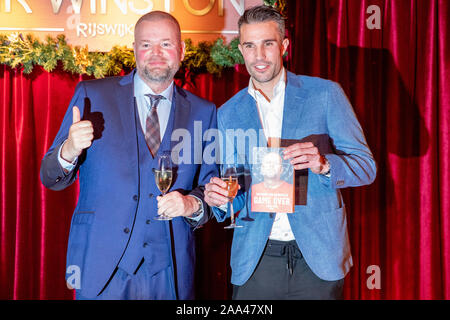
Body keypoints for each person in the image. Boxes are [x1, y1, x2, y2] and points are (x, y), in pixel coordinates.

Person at [40, 11, 218, 300]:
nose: (156, 54)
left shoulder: (204, 111)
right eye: (146, 44)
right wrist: (69, 150)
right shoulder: (92, 95)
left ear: (182, 51)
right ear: (134, 50)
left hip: (169, 272)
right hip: (100, 268)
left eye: (166, 44)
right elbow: (50, 177)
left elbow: (212, 187)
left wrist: (191, 203)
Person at [204, 5, 376, 300]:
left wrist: (323, 164)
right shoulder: (227, 113)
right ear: (241, 50)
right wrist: (220, 199)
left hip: (318, 257)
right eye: (249, 45)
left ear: (284, 46)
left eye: (268, 43)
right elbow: (233, 186)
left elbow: (366, 167)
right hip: (256, 260)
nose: (259, 56)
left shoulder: (324, 94)